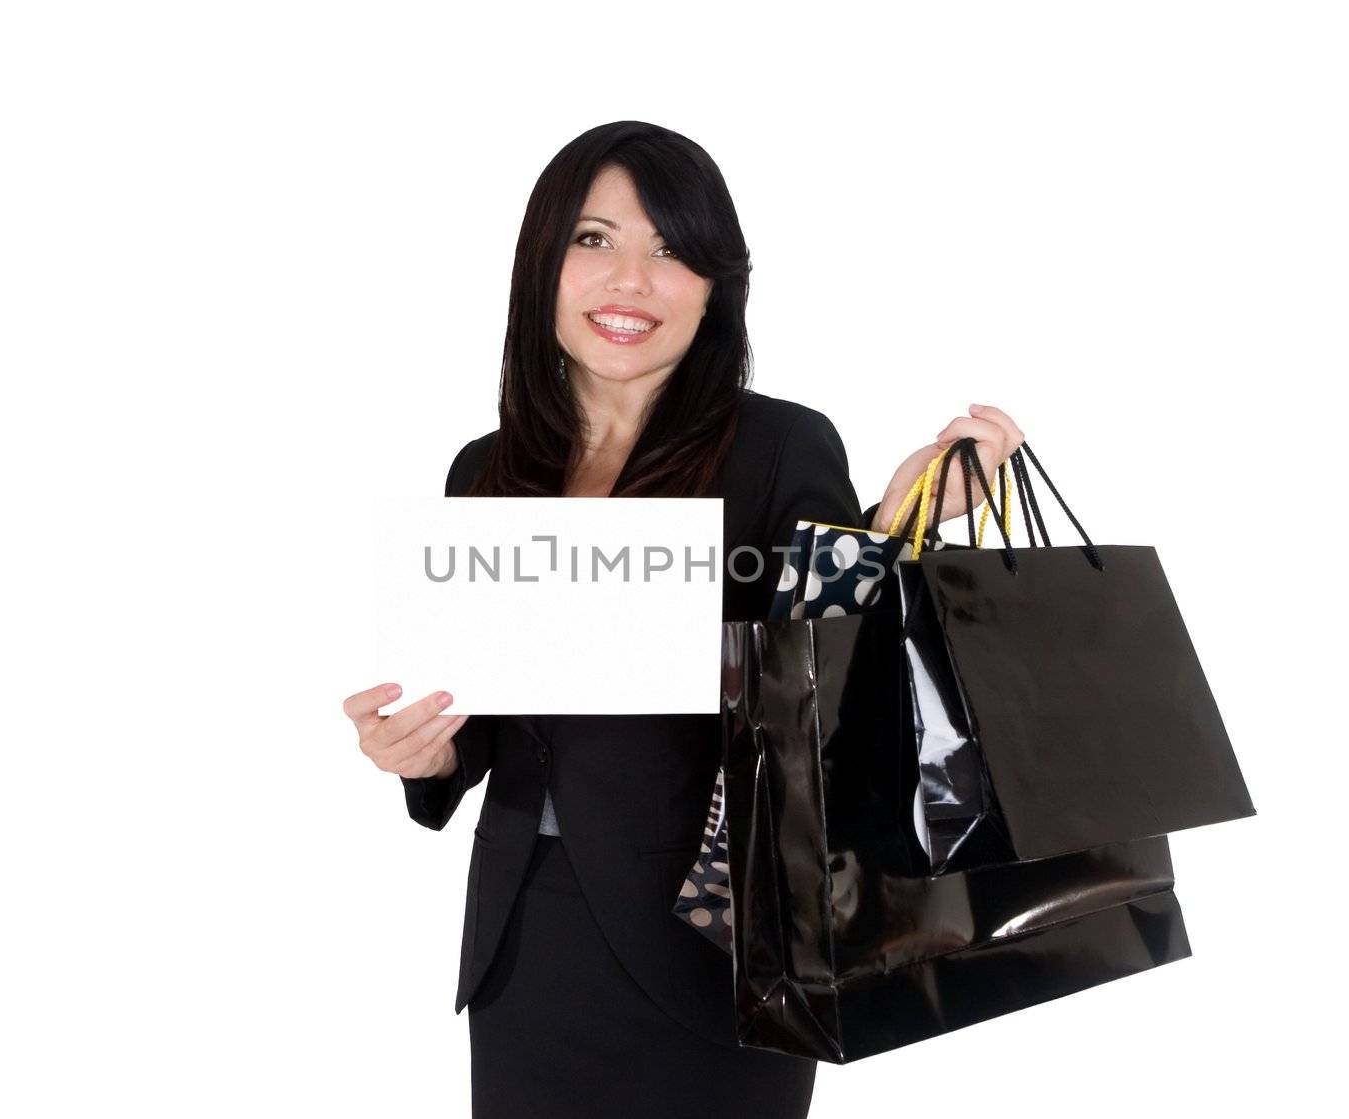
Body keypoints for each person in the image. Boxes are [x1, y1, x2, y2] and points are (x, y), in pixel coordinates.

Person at [342, 120, 1024, 1118]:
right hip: (525, 941)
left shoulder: (780, 447)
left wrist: (888, 525)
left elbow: (826, 682)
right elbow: (491, 726)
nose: (629, 280)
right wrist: (424, 754)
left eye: (669, 249)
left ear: (714, 284)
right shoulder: (483, 472)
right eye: (594, 240)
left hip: (718, 938)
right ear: (543, 266)